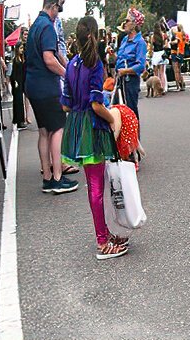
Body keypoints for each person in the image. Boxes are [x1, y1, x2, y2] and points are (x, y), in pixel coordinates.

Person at [61, 16, 128, 259]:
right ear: (96, 35)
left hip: (77, 126)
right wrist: (112, 119)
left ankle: (105, 233)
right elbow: (97, 104)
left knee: (95, 184)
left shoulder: (72, 64)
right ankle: (102, 241)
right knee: (97, 187)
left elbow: (66, 106)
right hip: (93, 126)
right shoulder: (95, 64)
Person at [25, 0, 79, 194]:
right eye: (59, 8)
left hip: (32, 85)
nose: (58, 13)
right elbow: (49, 58)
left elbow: (50, 55)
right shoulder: (47, 26)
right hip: (46, 86)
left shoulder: (34, 26)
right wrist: (68, 75)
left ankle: (47, 177)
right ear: (54, 6)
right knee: (57, 129)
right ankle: (57, 177)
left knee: (44, 131)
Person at [113, 9, 148, 117]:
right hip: (120, 78)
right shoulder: (124, 39)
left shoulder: (140, 42)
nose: (124, 23)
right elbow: (121, 59)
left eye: (127, 20)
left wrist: (125, 71)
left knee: (130, 111)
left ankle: (134, 133)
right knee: (117, 109)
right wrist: (112, 56)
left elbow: (141, 66)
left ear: (134, 24)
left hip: (130, 81)